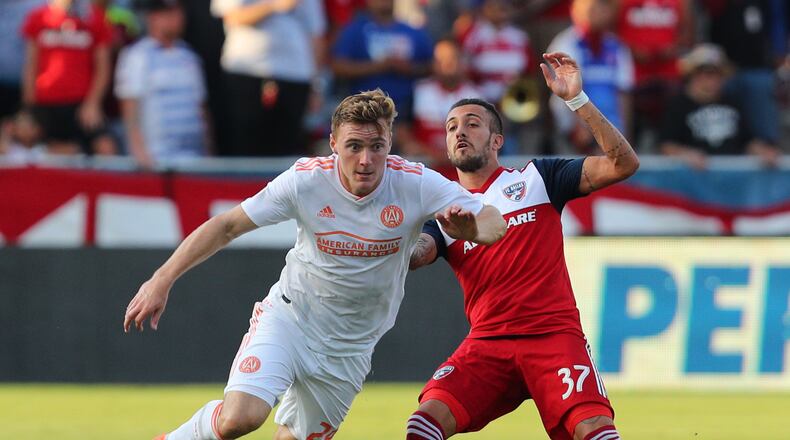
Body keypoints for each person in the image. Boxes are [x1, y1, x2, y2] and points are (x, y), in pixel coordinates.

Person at [123, 89, 506, 440]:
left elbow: (494, 220)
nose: (366, 160)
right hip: (291, 320)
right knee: (240, 418)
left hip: (351, 348)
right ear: (333, 144)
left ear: (390, 142)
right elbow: (226, 226)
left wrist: (471, 227)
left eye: (377, 146)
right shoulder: (305, 181)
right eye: (354, 146)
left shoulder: (416, 182)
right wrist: (161, 279)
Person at [406, 52, 640, 440]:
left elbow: (623, 164)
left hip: (553, 337)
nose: (459, 132)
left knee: (595, 430)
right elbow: (418, 256)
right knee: (424, 422)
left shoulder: (538, 178)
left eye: (472, 124)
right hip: (487, 344)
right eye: (451, 127)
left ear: (497, 140)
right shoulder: (444, 215)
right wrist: (393, 246)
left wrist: (576, 100)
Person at [210, 0, 326, 156]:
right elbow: (233, 17)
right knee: (244, 148)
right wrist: (274, 5)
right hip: (247, 74)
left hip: (296, 78)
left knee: (286, 151)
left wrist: (316, 85)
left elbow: (316, 34)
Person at [115, 0, 210, 168]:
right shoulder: (137, 56)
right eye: (167, 13)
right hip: (156, 160)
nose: (176, 18)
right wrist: (141, 156)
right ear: (152, 18)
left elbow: (201, 110)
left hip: (194, 159)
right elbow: (130, 111)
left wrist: (209, 156)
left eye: (178, 12)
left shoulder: (189, 57)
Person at [658, 44, 782, 168]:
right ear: (692, 76)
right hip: (692, 179)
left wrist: (764, 152)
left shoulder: (732, 102)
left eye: (715, 75)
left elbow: (747, 140)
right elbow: (666, 146)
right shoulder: (678, 106)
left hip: (730, 178)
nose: (710, 81)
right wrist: (685, 155)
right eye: (704, 74)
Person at [21, 0, 117, 156]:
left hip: (81, 103)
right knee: (41, 150)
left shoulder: (94, 17)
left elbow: (103, 67)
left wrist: (93, 103)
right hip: (46, 101)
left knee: (105, 147)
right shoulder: (38, 17)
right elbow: (31, 64)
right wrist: (28, 106)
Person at [547, 0, 634, 155]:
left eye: (603, 9)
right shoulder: (566, 44)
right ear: (575, 10)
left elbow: (623, 92)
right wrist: (577, 130)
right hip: (577, 134)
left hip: (613, 131)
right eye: (592, 8)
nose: (598, 13)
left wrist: (625, 133)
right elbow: (563, 93)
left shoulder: (617, 47)